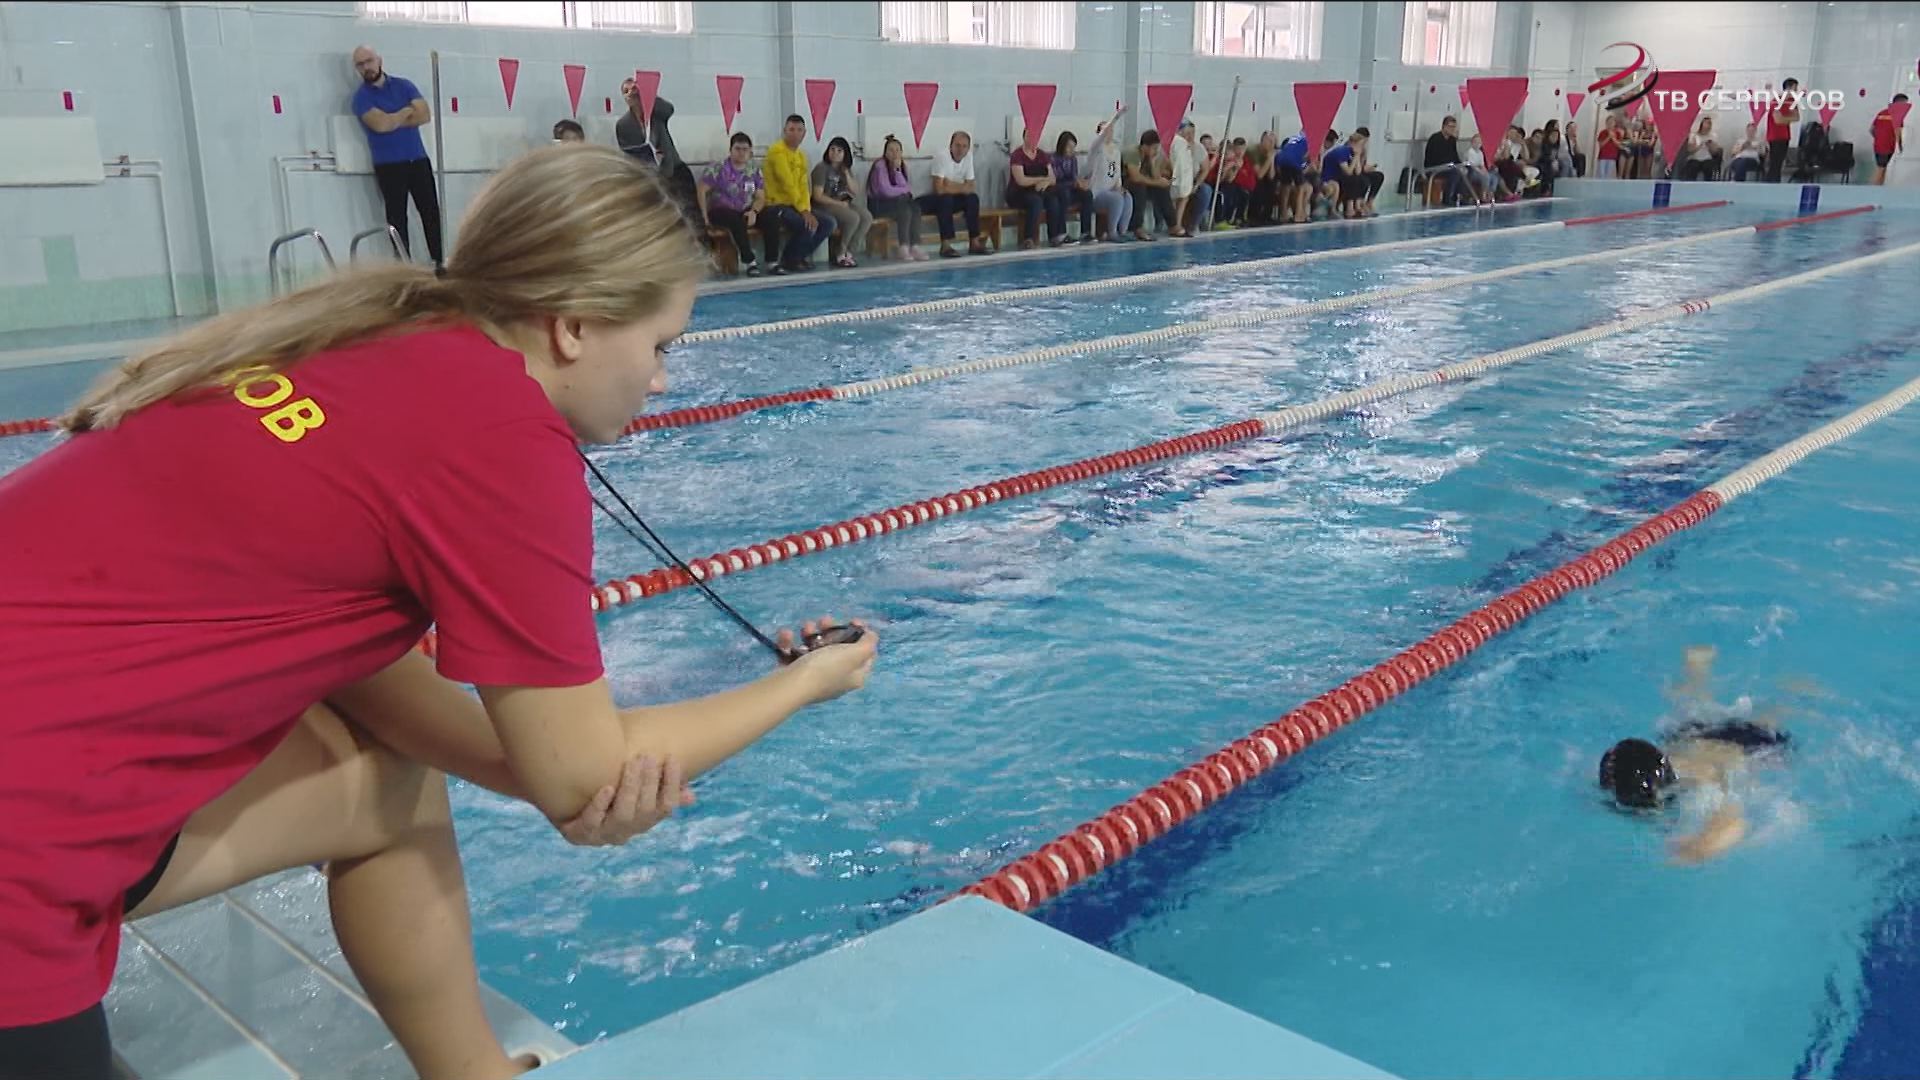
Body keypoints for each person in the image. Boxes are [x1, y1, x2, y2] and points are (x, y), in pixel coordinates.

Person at [0, 145, 879, 1080]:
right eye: (660, 345)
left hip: (39, 758)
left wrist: (546, 778)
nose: (662, 380)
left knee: (388, 791)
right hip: (26, 839)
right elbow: (586, 777)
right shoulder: (501, 436)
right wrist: (805, 685)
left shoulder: (374, 342)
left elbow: (360, 673)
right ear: (575, 324)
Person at [1597, 647, 1791, 864]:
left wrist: (1695, 850)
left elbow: (1735, 822)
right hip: (1687, 738)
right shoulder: (1654, 772)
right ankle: (1696, 668)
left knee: (1771, 716)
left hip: (1748, 745)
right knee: (1694, 704)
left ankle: (1792, 691)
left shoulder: (1700, 783)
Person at [350, 46, 443, 272]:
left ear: (379, 60)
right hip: (389, 166)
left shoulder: (404, 85)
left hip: (417, 159)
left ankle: (439, 261)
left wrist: (392, 119)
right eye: (360, 64)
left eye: (369, 61)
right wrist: (404, 112)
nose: (366, 67)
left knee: (430, 211)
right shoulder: (361, 98)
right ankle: (404, 267)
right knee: (397, 219)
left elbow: (424, 115)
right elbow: (381, 125)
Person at [763, 114, 836, 275]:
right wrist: (803, 212)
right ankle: (789, 260)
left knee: (828, 223)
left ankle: (797, 256)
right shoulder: (777, 151)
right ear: (784, 131)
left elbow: (803, 186)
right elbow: (787, 183)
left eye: (799, 130)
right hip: (775, 205)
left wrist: (807, 210)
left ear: (804, 133)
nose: (795, 133)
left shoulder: (801, 155)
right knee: (806, 224)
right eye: (791, 130)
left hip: (795, 205)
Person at [616, 80, 697, 220]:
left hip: (674, 170)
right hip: (651, 176)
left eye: (634, 88)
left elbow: (669, 109)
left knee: (690, 216)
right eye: (626, 91)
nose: (631, 93)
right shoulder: (624, 125)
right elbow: (629, 154)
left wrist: (647, 94)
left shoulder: (657, 114)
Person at [697, 132, 767, 277]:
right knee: (735, 220)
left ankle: (773, 261)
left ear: (750, 152)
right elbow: (701, 190)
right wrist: (704, 218)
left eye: (745, 149)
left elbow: (760, 197)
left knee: (771, 216)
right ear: (731, 150)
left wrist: (754, 211)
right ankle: (750, 261)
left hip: (745, 209)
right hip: (721, 210)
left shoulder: (753, 170)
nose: (741, 153)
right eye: (738, 149)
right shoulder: (718, 168)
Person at [918, 131, 989, 257]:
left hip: (949, 197)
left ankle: (974, 242)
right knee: (946, 199)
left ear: (968, 148)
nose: (960, 150)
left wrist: (949, 184)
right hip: (927, 200)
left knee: (972, 199)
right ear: (951, 146)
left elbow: (971, 187)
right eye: (957, 145)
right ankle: (945, 245)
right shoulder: (942, 157)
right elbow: (939, 189)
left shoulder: (968, 157)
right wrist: (961, 187)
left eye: (964, 146)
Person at [811, 136, 872, 268]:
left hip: (842, 203)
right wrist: (838, 204)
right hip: (823, 205)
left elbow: (855, 191)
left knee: (866, 217)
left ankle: (850, 252)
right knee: (852, 217)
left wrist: (846, 174)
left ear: (845, 154)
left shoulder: (844, 170)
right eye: (832, 149)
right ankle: (840, 253)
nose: (835, 153)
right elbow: (817, 196)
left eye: (839, 151)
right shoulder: (821, 168)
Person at [866, 134, 925, 261]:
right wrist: (903, 191)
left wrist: (897, 170)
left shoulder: (901, 166)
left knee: (915, 206)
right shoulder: (880, 166)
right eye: (891, 150)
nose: (894, 153)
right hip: (877, 205)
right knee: (904, 207)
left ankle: (915, 245)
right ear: (885, 153)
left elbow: (906, 188)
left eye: (898, 150)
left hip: (895, 203)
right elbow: (885, 191)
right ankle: (903, 246)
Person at [1007, 127, 1063, 249]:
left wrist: (1045, 183)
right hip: (1018, 192)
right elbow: (1021, 180)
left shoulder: (1042, 155)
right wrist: (1040, 180)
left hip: (1037, 191)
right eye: (1029, 136)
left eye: (1035, 137)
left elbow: (1052, 178)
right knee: (1035, 202)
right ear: (1024, 137)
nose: (1032, 139)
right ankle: (1028, 238)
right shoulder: (1017, 155)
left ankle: (1054, 236)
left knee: (1053, 200)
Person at [1084, 109, 1134, 242]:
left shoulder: (1115, 151)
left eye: (1111, 130)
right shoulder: (1096, 149)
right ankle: (1112, 232)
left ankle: (1122, 231)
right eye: (1106, 130)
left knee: (1126, 196)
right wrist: (1117, 116)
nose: (1108, 132)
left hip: (1111, 191)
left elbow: (1116, 173)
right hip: (1097, 194)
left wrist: (1119, 187)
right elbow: (1101, 136)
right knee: (1117, 199)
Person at [1123, 129, 1174, 239]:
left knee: (1162, 189)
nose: (1156, 151)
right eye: (1154, 148)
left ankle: (1172, 225)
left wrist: (1151, 160)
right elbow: (1135, 177)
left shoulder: (1147, 156)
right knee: (1140, 188)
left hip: (1140, 183)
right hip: (1124, 184)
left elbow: (1154, 176)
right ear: (1145, 146)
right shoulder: (1132, 153)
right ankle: (1137, 227)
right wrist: (1157, 182)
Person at [1052, 130, 1096, 243]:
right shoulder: (1053, 159)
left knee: (1087, 194)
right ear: (1062, 146)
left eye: (1073, 147)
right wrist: (1074, 183)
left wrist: (1081, 183)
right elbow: (1056, 179)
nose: (1072, 150)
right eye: (1069, 147)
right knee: (1063, 193)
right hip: (1058, 191)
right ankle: (1062, 233)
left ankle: (1085, 232)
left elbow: (1073, 176)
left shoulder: (1073, 159)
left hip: (1070, 190)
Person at [1424, 115, 1477, 206]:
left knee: (1468, 170)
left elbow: (1455, 156)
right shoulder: (1435, 139)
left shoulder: (1452, 140)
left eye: (1454, 127)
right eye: (1450, 127)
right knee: (1455, 172)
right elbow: (1434, 158)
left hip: (1449, 166)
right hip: (1435, 167)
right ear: (1444, 127)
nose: (1452, 129)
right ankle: (1447, 197)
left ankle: (1463, 196)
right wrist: (1452, 165)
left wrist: (1462, 165)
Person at [1765, 78, 1801, 182]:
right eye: (1795, 89)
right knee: (1774, 163)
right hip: (1774, 136)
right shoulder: (1776, 101)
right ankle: (1770, 184)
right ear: (1789, 88)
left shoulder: (1792, 102)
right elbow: (1778, 120)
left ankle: (1776, 183)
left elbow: (1797, 117)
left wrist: (1785, 119)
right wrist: (1789, 118)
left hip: (1785, 136)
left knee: (1780, 163)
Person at [1274, 129, 1313, 222]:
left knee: (1285, 186)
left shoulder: (1294, 137)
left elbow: (1287, 149)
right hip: (1294, 161)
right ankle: (1299, 215)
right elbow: (1309, 156)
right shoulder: (1311, 140)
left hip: (1281, 159)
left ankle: (1283, 215)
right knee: (1301, 187)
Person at [1871, 94, 1908, 185]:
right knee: (1881, 169)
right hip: (1887, 145)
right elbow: (1898, 132)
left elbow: (1871, 129)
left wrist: (1879, 138)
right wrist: (1900, 145)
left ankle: (1878, 189)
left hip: (1878, 144)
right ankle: (1872, 190)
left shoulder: (1882, 112)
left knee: (1882, 168)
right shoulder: (1897, 116)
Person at [1679, 116, 1722, 181]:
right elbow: (1690, 150)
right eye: (1707, 123)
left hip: (1707, 159)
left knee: (1709, 167)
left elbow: (1715, 152)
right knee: (1693, 166)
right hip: (1695, 159)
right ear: (1701, 124)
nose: (1708, 126)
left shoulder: (1713, 136)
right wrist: (1699, 145)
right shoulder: (1694, 135)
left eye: (1710, 124)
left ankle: (1708, 186)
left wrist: (1710, 146)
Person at [1595, 114, 1623, 179]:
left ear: (1614, 123)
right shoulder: (1602, 132)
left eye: (1612, 122)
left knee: (1609, 176)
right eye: (1608, 122)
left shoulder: (1617, 133)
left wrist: (1613, 138)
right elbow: (1601, 145)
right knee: (1601, 175)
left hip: (1612, 157)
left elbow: (1619, 145)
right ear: (1606, 123)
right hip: (1603, 157)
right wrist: (1608, 137)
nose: (1610, 124)